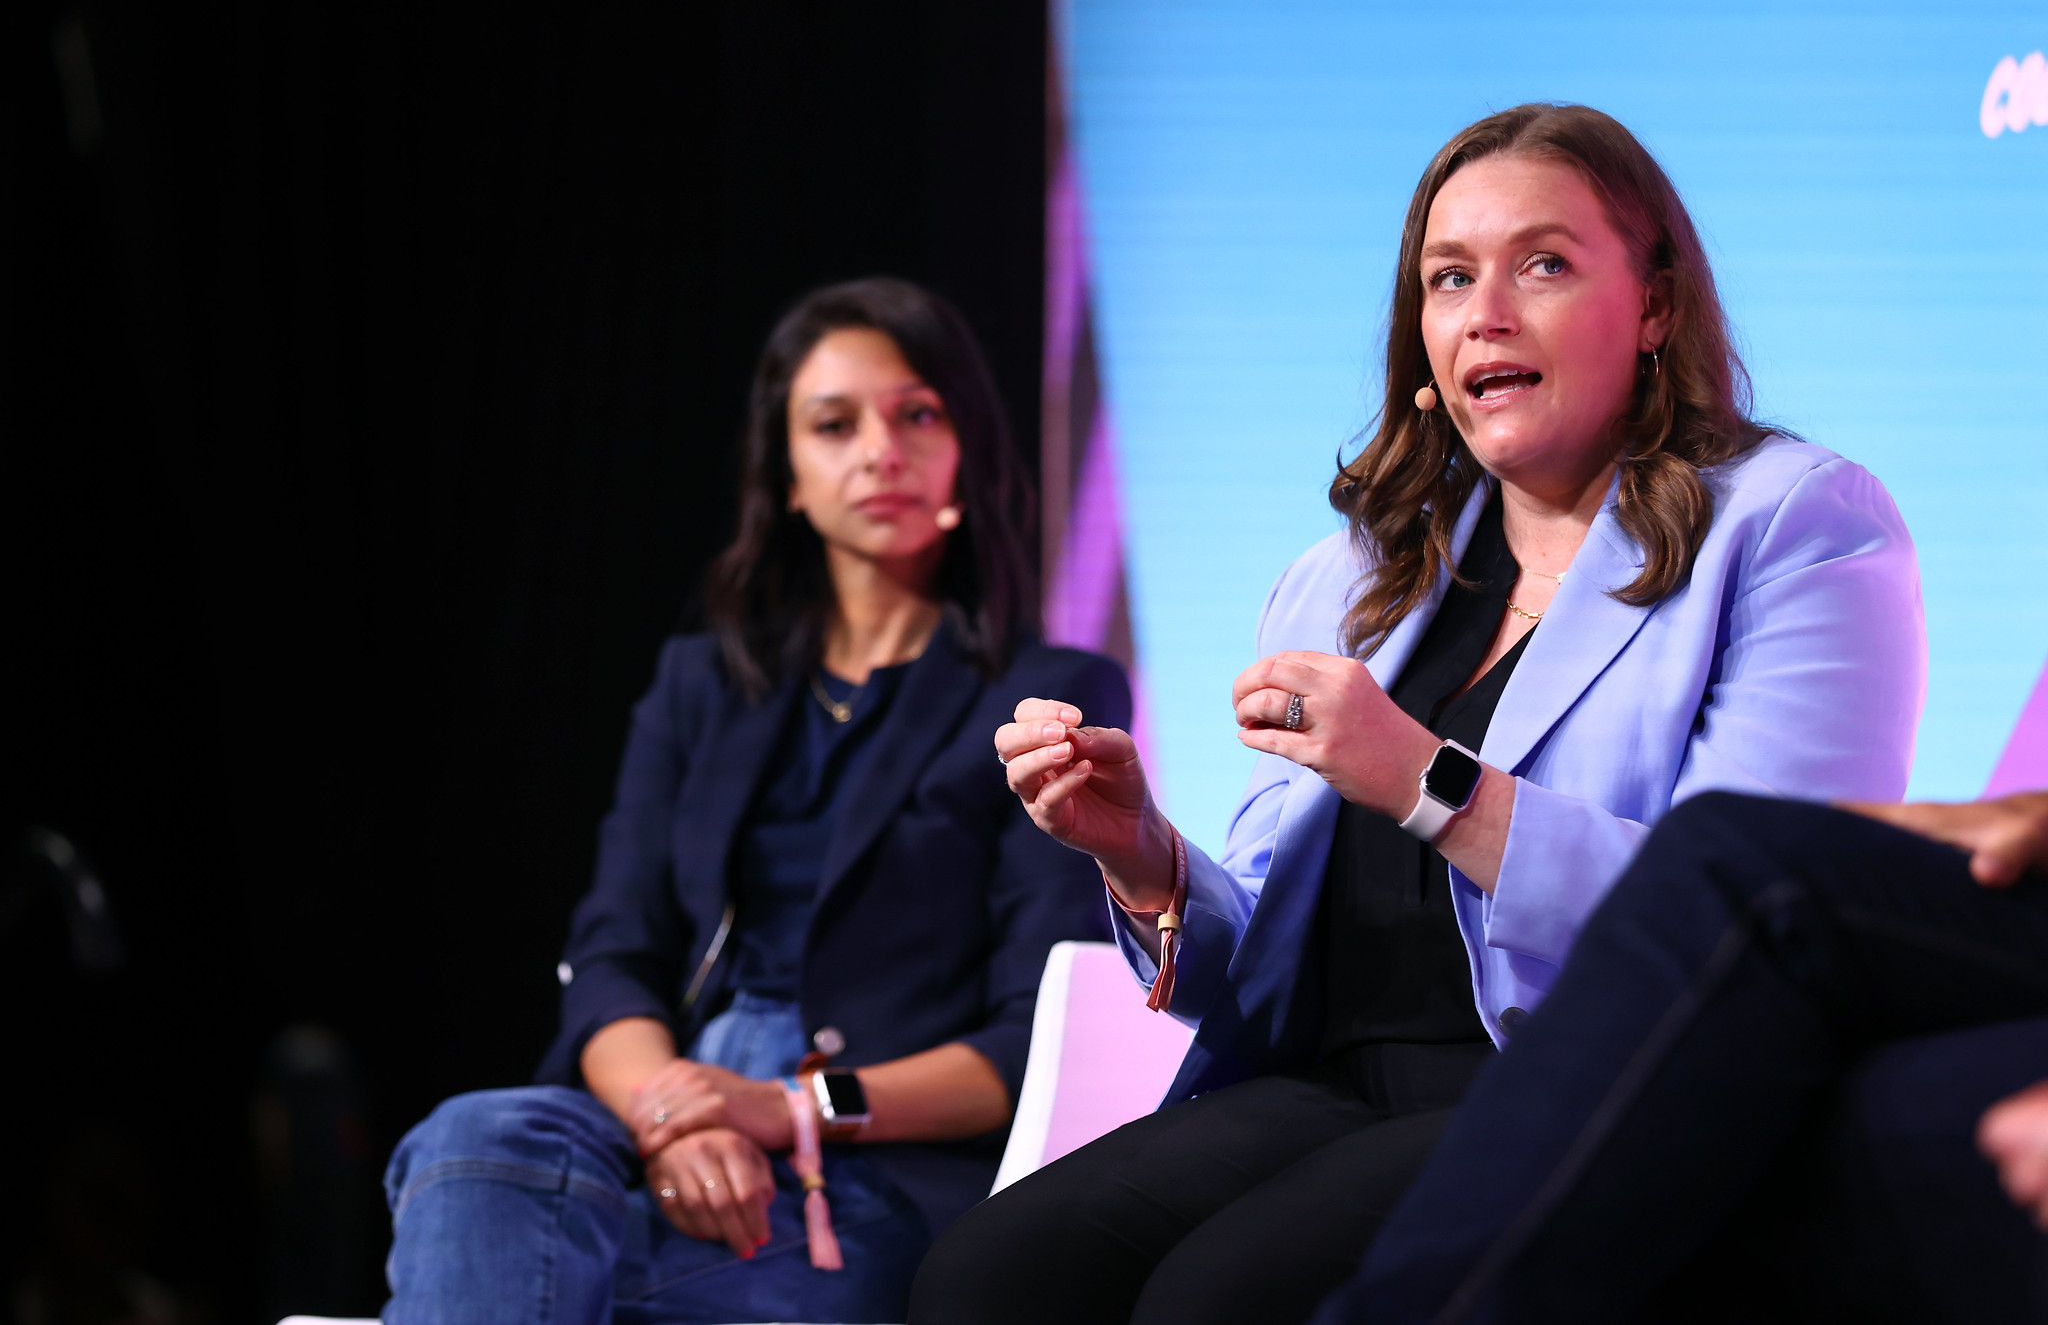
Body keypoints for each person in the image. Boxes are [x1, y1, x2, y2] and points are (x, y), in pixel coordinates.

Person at [908, 103, 1925, 1325]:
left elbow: (1747, 925)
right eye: (1449, 278)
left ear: (1653, 307)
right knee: (982, 1282)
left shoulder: (1789, 526)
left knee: (1217, 1302)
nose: (1484, 312)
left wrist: (1425, 780)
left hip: (1597, 1095)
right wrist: (1138, 855)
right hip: (1327, 1087)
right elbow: (1263, 988)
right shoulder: (1348, 578)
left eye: (1541, 265)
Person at [380, 278, 1131, 1325]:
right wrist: (674, 1115)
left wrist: (784, 1109)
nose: (879, 449)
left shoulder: (1050, 692)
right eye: (833, 425)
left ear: (966, 442)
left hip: (873, 1151)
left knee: (563, 1285)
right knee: (476, 1139)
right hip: (667, 1103)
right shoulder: (700, 685)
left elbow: (1029, 1041)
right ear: (787, 474)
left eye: (917, 414)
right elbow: (613, 959)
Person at [1313, 787, 2048, 1325]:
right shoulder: (1340, 591)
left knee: (1731, 867)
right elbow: (1260, 924)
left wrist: (1426, 781)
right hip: (1321, 1067)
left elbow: (1663, 878)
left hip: (1491, 1060)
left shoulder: (1802, 570)